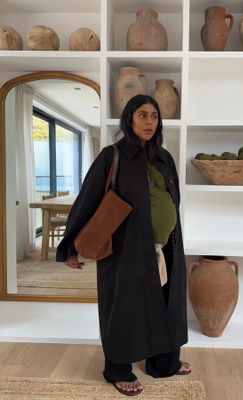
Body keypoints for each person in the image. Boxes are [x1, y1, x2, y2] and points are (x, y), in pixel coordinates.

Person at [56, 94, 191, 396]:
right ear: (129, 119)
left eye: (154, 116)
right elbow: (88, 198)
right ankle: (118, 369)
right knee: (124, 307)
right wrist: (70, 246)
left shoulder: (164, 157)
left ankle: (163, 363)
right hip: (125, 248)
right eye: (142, 115)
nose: (149, 122)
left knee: (167, 302)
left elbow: (174, 200)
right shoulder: (112, 155)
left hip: (165, 246)